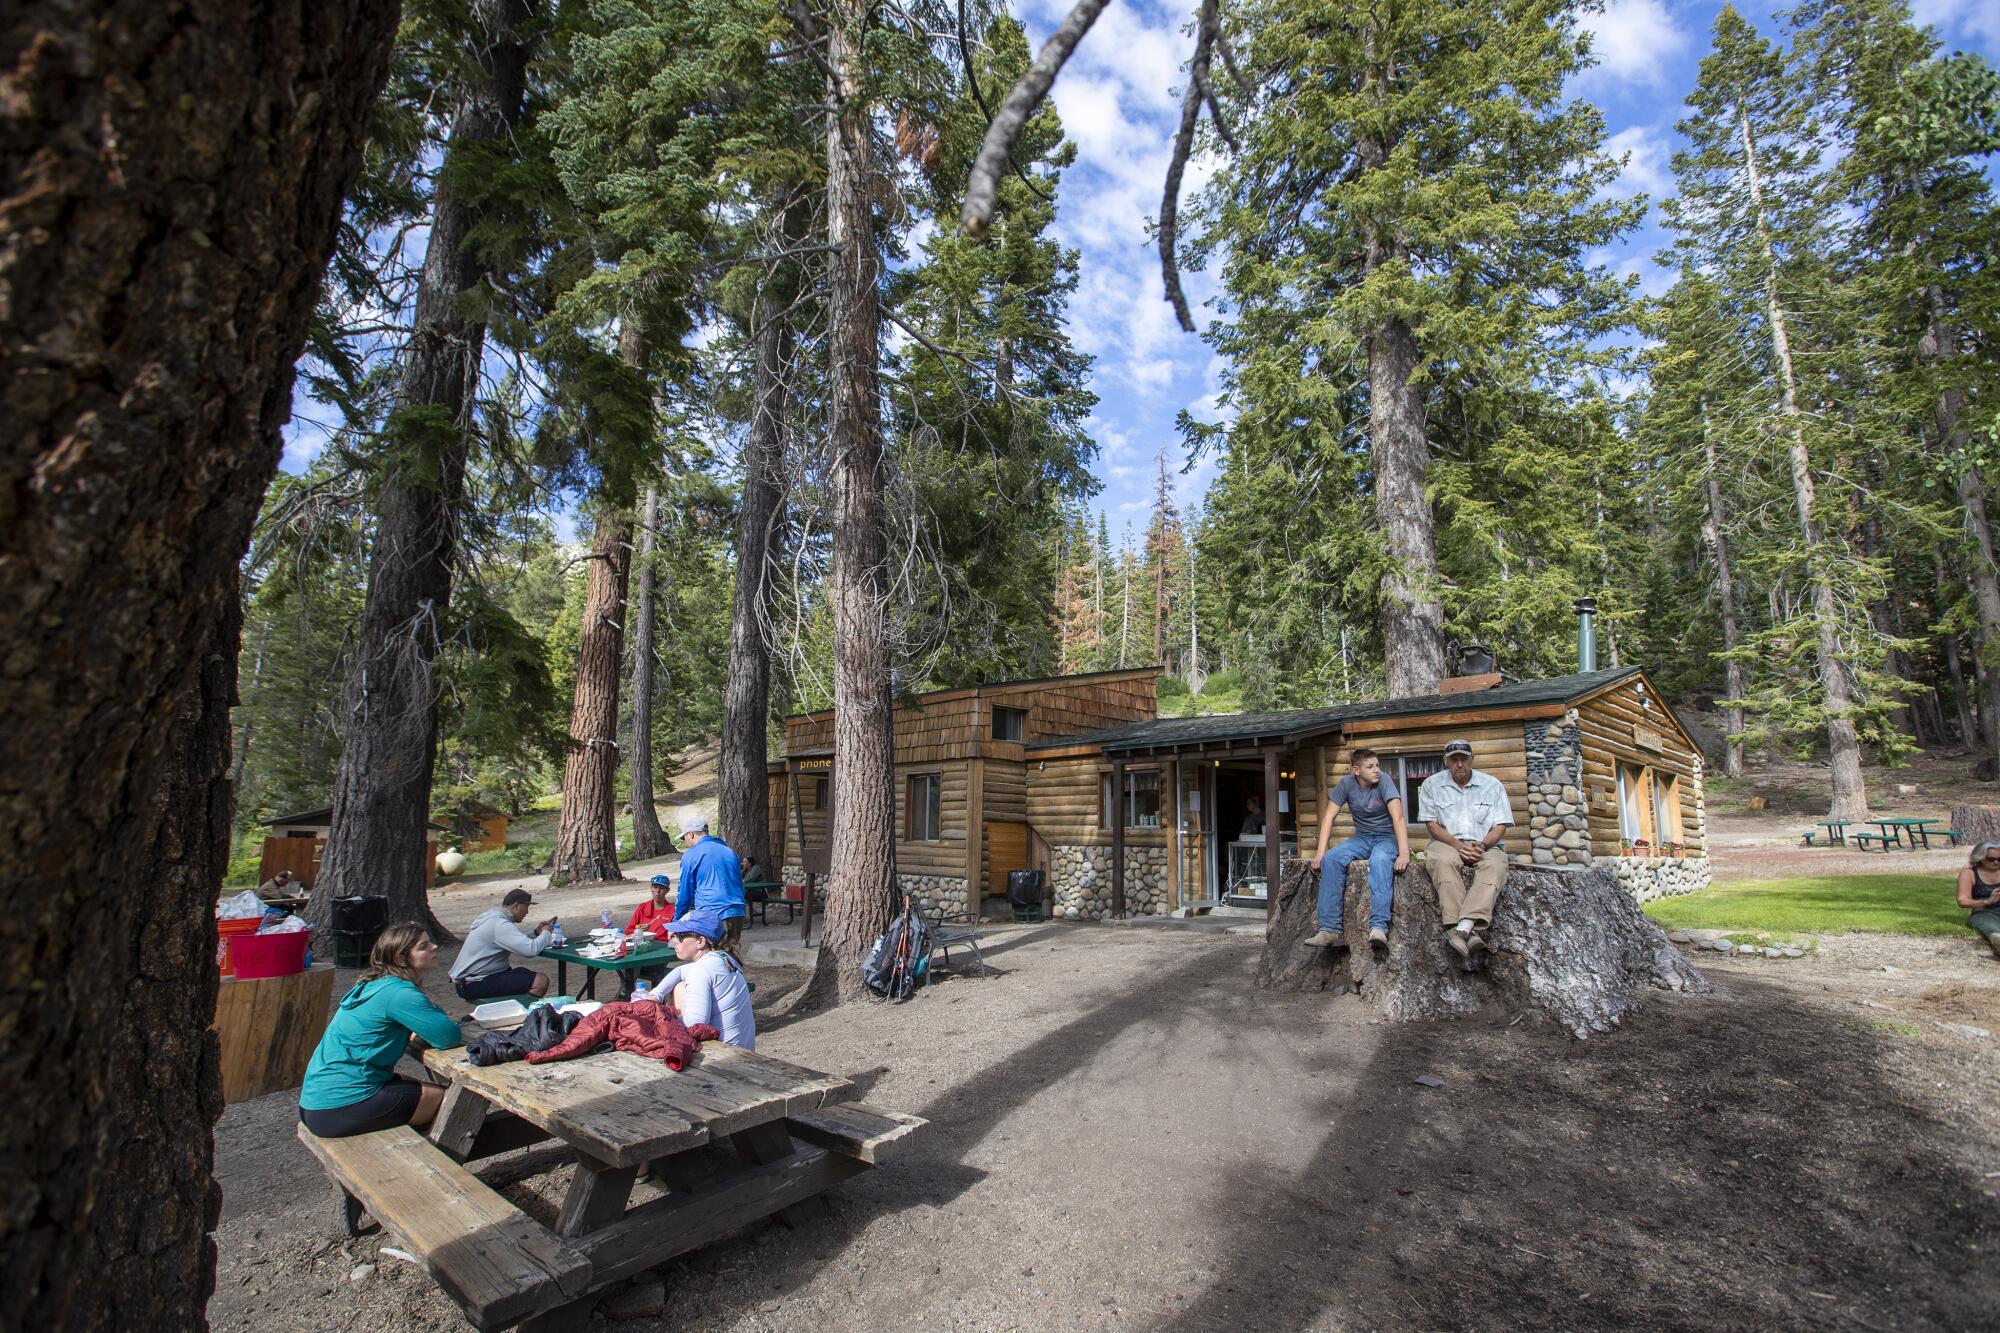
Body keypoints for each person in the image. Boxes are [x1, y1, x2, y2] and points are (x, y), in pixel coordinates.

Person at [299, 923, 463, 1136]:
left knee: (413, 1085)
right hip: (340, 1106)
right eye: (423, 946)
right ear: (401, 959)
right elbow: (448, 1036)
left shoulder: (374, 984)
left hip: (316, 1101)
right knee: (447, 1101)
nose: (434, 947)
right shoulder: (399, 993)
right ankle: (430, 1163)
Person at [1419, 739, 1516, 961]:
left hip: (1484, 843)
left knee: (1495, 865)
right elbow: (1431, 824)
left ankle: (1464, 925)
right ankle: (1464, 929)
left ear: (1472, 760)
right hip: (1447, 842)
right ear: (1446, 761)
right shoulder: (1431, 785)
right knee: (1441, 862)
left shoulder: (1492, 785)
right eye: (1454, 760)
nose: (1459, 764)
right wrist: (1458, 846)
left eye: (1464, 759)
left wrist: (1482, 845)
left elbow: (1500, 824)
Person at [1305, 747, 1410, 951]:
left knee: (1379, 861)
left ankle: (1379, 927)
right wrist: (1320, 852)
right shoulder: (1346, 784)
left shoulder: (1385, 781)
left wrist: (1404, 852)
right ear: (1356, 770)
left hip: (1387, 838)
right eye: (1370, 767)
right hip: (1362, 838)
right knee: (1332, 859)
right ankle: (1329, 929)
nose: (1376, 770)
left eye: (1377, 765)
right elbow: (1328, 817)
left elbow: (1398, 817)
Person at [648, 908, 756, 1049]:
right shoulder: (721, 957)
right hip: (744, 1049)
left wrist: (662, 1018)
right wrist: (656, 994)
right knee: (680, 987)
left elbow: (696, 1023)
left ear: (700, 941)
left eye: (680, 935)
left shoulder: (701, 970)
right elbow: (680, 970)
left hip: (724, 1057)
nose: (674, 940)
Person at [449, 887, 553, 1001]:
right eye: (526, 906)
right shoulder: (500, 924)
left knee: (523, 973)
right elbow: (530, 950)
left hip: (472, 980)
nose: (527, 912)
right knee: (540, 981)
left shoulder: (494, 918)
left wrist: (535, 933)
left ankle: (512, 1011)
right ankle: (520, 1013)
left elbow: (517, 943)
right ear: (516, 906)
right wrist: (546, 932)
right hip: (474, 983)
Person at [675, 817, 747, 949]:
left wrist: (677, 921)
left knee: (711, 956)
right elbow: (739, 884)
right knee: (730, 954)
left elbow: (684, 893)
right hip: (736, 911)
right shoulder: (729, 851)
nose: (685, 842)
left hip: (712, 913)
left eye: (684, 837)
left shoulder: (691, 854)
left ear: (691, 834)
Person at [620, 875, 678, 998]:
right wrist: (639, 928)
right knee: (631, 961)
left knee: (634, 963)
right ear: (651, 888)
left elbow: (673, 938)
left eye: (661, 888)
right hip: (640, 950)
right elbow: (628, 931)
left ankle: (624, 995)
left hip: (658, 955)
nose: (657, 891)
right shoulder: (643, 907)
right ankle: (624, 995)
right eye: (655, 887)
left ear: (667, 890)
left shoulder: (672, 911)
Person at [1957, 841, 2000, 961]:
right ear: (1980, 858)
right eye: (1991, 859)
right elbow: (1962, 901)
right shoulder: (1969, 874)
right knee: (1987, 923)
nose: (1996, 862)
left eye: (1999, 859)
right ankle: (1997, 940)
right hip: (1984, 911)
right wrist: (1987, 901)